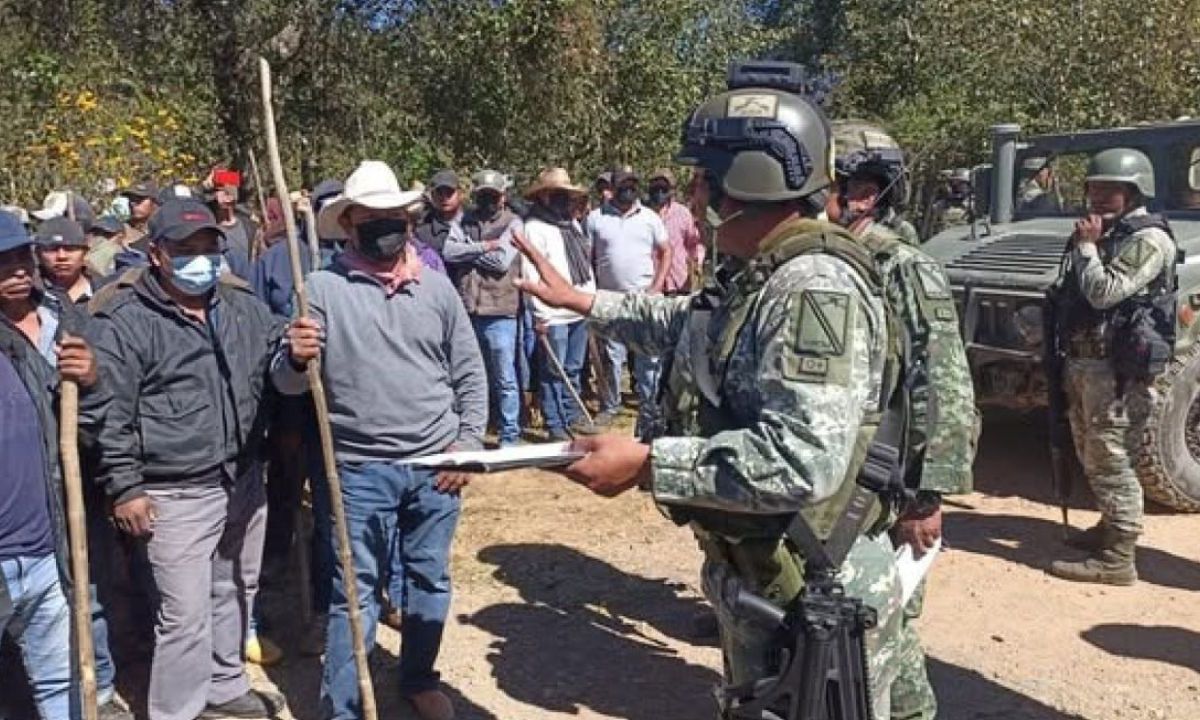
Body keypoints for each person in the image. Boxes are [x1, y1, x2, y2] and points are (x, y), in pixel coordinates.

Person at [515, 68, 911, 720]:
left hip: (819, 585)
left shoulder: (812, 286)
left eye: (704, 177)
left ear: (747, 183)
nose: (694, 193)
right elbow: (685, 321)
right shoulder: (755, 274)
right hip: (765, 575)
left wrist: (648, 464)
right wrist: (582, 300)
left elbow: (802, 460)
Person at [275, 159, 486, 720]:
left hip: (437, 463)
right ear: (349, 225)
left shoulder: (437, 289)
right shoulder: (318, 289)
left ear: (409, 220)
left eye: (395, 217)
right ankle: (343, 707)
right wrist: (295, 353)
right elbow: (287, 381)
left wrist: (466, 446)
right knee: (355, 594)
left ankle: (418, 677)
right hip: (359, 468)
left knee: (428, 579)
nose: (387, 227)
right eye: (373, 219)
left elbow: (469, 371)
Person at [90, 198, 283, 720]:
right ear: (157, 254)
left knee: (235, 587)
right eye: (185, 250)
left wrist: (298, 347)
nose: (201, 259)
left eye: (208, 248)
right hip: (173, 488)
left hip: (242, 475)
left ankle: (224, 683)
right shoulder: (126, 321)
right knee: (184, 612)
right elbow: (110, 412)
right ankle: (176, 709)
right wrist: (126, 486)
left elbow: (277, 362)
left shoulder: (241, 307)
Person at [827, 121, 978, 720]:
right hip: (849, 481)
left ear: (865, 193)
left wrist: (926, 496)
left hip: (893, 482)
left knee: (887, 628)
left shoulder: (903, 267)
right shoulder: (830, 259)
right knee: (871, 626)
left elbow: (942, 387)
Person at [0, 210, 124, 720]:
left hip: (47, 541)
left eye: (19, 256)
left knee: (60, 686)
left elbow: (94, 421)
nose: (16, 270)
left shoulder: (61, 322)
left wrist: (90, 382)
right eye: (0, 261)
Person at [1047, 148, 1176, 586]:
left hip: (1118, 372)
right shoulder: (1110, 232)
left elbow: (1105, 292)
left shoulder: (1148, 239)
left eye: (1110, 191)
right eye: (1094, 189)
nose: (1098, 198)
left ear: (1134, 191)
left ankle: (1119, 558)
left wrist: (1086, 248)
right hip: (1088, 363)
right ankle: (1108, 526)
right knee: (1088, 449)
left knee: (1111, 456)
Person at [584, 168, 671, 435]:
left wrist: (657, 287)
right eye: (624, 185)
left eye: (633, 185)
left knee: (649, 360)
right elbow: (587, 257)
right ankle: (610, 407)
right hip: (609, 300)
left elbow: (666, 251)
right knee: (611, 359)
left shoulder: (650, 218)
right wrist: (592, 292)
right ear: (614, 187)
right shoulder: (595, 219)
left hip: (644, 299)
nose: (629, 190)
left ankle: (649, 410)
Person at [444, 169, 524, 447]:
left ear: (502, 197)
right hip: (467, 311)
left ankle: (509, 435)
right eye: (483, 196)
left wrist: (468, 249)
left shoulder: (514, 224)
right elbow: (448, 252)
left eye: (492, 196)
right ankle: (470, 434)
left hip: (501, 311)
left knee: (504, 378)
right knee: (468, 377)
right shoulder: (463, 220)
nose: (488, 201)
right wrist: (483, 247)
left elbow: (502, 261)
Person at [518, 168, 596, 442]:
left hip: (578, 310)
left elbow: (583, 265)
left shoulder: (571, 225)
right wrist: (540, 315)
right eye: (557, 194)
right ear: (543, 197)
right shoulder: (533, 227)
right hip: (552, 314)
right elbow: (531, 273)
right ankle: (555, 424)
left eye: (565, 194)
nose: (562, 199)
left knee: (573, 368)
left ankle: (571, 414)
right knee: (554, 372)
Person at [646, 168, 704, 295]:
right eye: (656, 188)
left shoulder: (682, 213)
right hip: (651, 285)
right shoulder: (642, 214)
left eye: (664, 188)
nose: (660, 192)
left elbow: (695, 243)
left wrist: (697, 264)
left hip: (680, 283)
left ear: (671, 190)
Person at [87, 182, 156, 277]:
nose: (133, 203)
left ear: (154, 202)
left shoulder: (163, 231)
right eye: (131, 199)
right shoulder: (114, 229)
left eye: (139, 199)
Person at [208, 170, 257, 280]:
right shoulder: (208, 228)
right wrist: (203, 186)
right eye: (215, 191)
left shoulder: (250, 227)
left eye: (218, 190)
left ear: (230, 196)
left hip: (246, 289)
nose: (215, 195)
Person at [36, 217, 95, 304]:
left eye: (70, 248)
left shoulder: (106, 292)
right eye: (52, 249)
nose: (61, 256)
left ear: (85, 253)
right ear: (38, 254)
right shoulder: (30, 296)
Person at [411, 169, 460, 273]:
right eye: (439, 193)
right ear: (432, 195)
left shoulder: (472, 224)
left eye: (449, 193)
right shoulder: (422, 230)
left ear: (459, 193)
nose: (444, 198)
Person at [929, 168, 973, 235]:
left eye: (961, 184)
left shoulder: (973, 205)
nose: (957, 187)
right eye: (954, 183)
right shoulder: (941, 205)